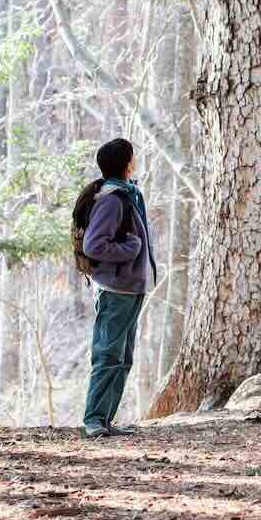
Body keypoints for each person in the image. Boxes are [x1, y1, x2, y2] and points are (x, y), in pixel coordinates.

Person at [79, 137, 156, 438]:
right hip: (115, 290)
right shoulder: (112, 199)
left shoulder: (127, 193)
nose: (135, 160)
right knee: (108, 355)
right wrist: (132, 248)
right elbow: (94, 245)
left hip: (130, 288)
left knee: (123, 358)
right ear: (126, 163)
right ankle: (94, 420)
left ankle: (105, 420)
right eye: (132, 157)